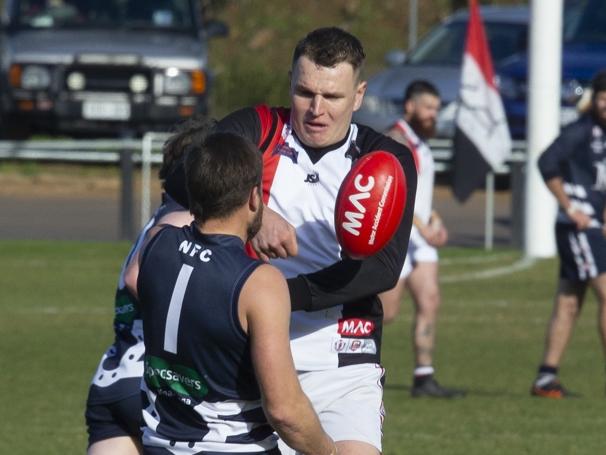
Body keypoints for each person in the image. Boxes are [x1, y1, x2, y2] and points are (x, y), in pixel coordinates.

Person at [164, 27, 417, 454]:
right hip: (249, 356)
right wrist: (255, 213)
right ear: (290, 83)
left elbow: (382, 270)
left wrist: (278, 296)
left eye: (332, 97)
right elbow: (182, 174)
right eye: (305, 92)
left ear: (358, 96)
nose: (317, 109)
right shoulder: (258, 129)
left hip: (341, 355)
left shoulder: (385, 161)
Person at [126, 132, 336, 454]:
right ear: (254, 198)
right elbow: (284, 411)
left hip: (159, 444)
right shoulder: (259, 284)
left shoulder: (156, 242)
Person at [84, 118, 209, 455]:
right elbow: (137, 278)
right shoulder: (183, 223)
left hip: (113, 379)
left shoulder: (157, 219)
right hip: (154, 383)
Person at [378, 80, 465, 398]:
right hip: (399, 235)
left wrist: (434, 220)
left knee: (429, 300)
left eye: (437, 109)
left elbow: (421, 193)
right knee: (386, 313)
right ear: (410, 106)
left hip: (421, 237)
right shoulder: (395, 138)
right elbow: (394, 191)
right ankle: (350, 365)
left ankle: (423, 377)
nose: (434, 115)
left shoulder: (421, 141)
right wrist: (420, 225)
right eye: (428, 108)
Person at [531, 69, 606, 398]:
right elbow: (547, 162)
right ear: (595, 98)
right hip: (579, 226)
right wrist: (569, 206)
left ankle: (546, 378)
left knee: (569, 302)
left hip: (592, 224)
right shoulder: (580, 131)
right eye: (604, 98)